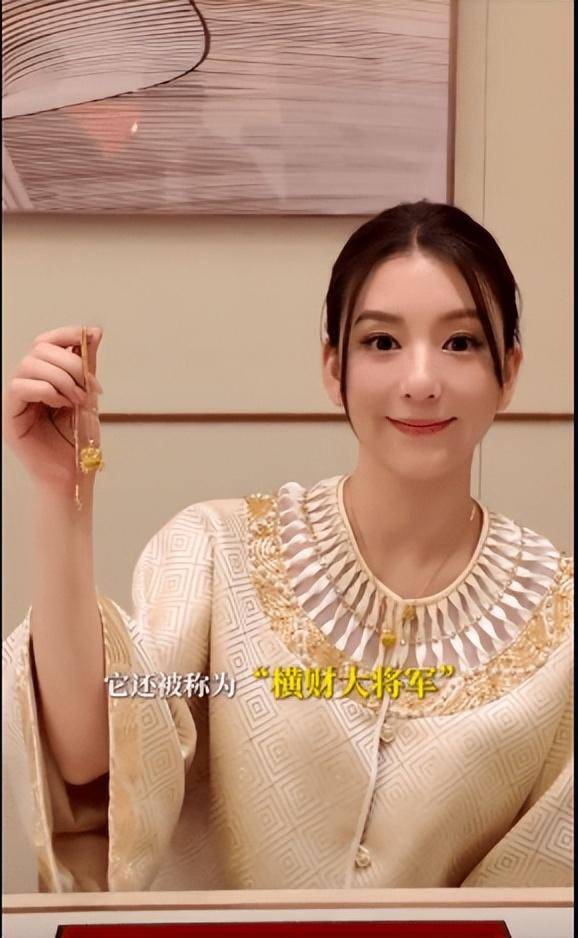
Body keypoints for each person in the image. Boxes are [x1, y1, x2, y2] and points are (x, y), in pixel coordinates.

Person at [3, 201, 573, 893]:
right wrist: (62, 494)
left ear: (508, 371)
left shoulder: (563, 626)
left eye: (460, 343)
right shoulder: (217, 555)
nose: (421, 381)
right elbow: (93, 755)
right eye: (381, 342)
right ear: (334, 367)